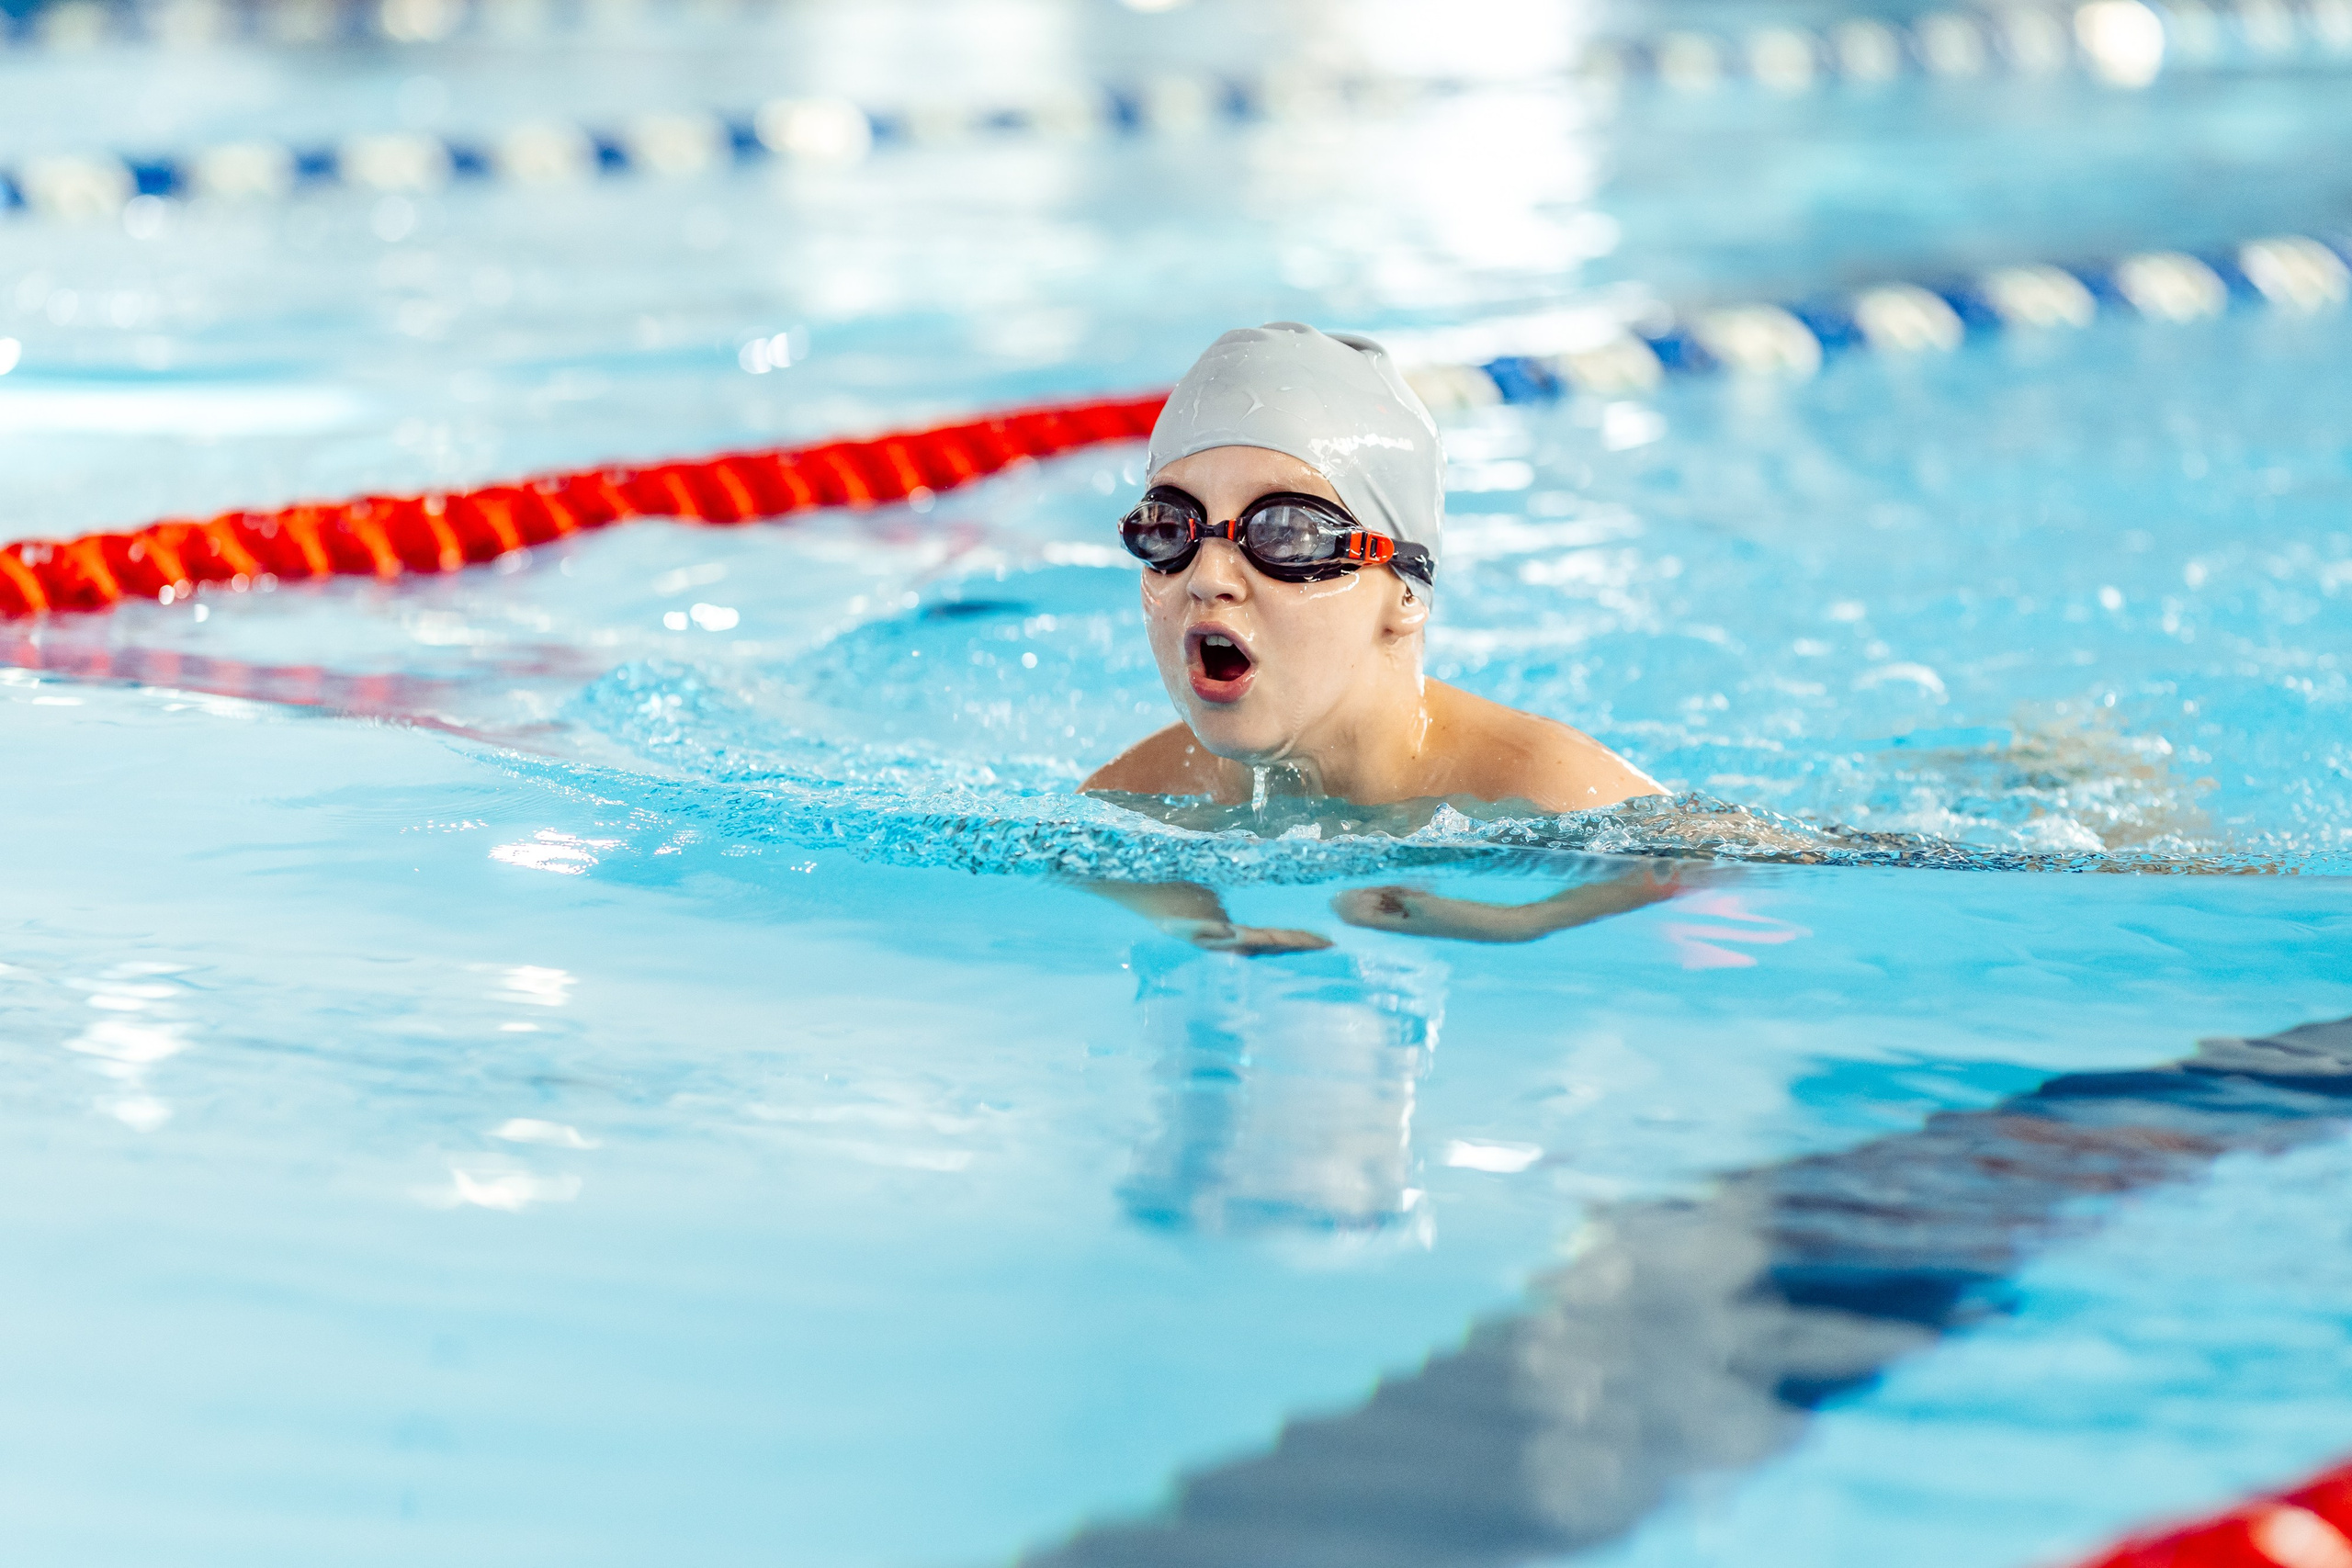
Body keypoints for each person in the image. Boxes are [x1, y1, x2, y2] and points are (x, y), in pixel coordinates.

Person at [1080, 321, 1679, 951]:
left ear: (1405, 592)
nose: (1207, 579)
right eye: (1169, 527)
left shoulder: (1544, 785)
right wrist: (1196, 922)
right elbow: (1082, 856)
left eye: (1286, 533)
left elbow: (1734, 861)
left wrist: (1522, 921)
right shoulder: (1134, 796)